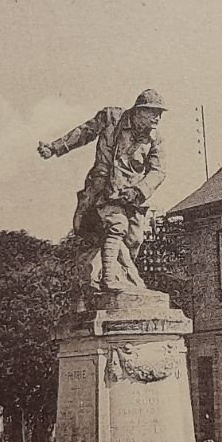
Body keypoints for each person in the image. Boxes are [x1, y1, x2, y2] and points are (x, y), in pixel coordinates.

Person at [38, 89, 168, 293]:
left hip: (131, 197)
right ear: (138, 111)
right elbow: (83, 133)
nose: (157, 117)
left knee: (134, 241)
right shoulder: (111, 118)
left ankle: (114, 278)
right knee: (117, 225)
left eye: (160, 113)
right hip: (103, 190)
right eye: (153, 112)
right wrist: (54, 148)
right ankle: (108, 279)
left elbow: (158, 170)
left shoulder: (154, 139)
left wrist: (139, 191)